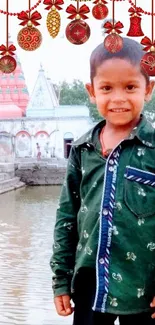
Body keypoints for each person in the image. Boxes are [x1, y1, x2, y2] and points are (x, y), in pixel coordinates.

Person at [50, 37, 155, 324]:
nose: (118, 98)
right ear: (92, 92)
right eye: (107, 88)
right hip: (90, 286)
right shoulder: (83, 150)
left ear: (148, 89)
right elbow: (66, 217)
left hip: (145, 287)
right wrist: (61, 279)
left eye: (130, 87)